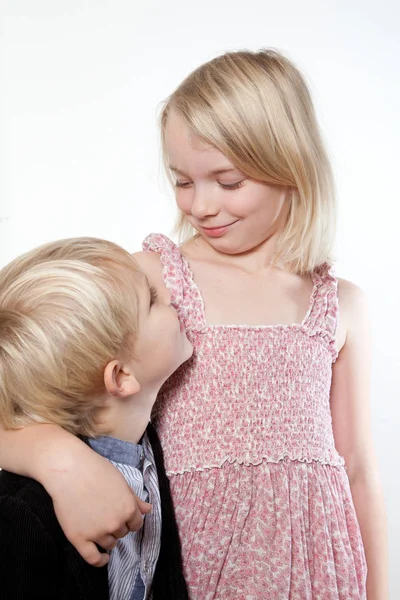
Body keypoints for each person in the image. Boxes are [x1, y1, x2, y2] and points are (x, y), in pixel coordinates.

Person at [0, 50, 388, 599]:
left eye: (229, 182)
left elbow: (358, 473)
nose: (202, 206)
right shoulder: (153, 283)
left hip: (318, 571)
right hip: (192, 566)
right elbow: (37, 396)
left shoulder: (339, 304)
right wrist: (58, 460)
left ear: (291, 164)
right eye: (183, 182)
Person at [0, 236, 191, 600]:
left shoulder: (150, 447)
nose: (173, 299)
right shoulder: (21, 517)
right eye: (151, 301)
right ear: (120, 377)